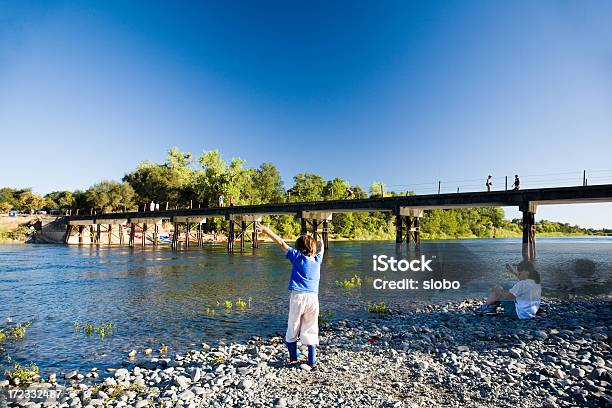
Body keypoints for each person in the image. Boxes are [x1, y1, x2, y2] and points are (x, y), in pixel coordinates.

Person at [256, 222, 324, 369]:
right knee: (311, 327)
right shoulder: (318, 260)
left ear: (299, 248)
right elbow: (322, 248)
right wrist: (320, 240)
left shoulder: (297, 257)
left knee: (293, 325)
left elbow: (281, 242)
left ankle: (293, 356)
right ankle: (312, 361)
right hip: (313, 298)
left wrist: (266, 230)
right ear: (313, 248)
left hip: (298, 296)